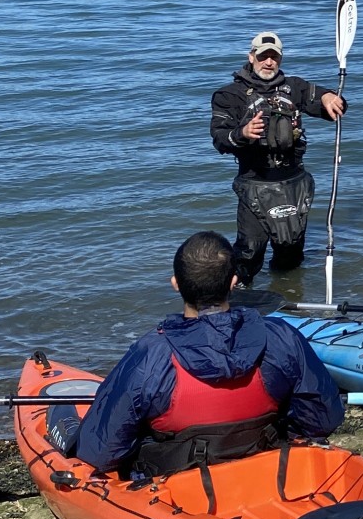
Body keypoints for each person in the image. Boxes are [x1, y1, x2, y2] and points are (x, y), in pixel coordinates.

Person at [71, 231, 345, 476]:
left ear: (176, 284)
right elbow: (323, 417)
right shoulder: (281, 336)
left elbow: (102, 453)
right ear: (233, 282)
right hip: (261, 458)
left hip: (177, 480)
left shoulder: (151, 354)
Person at [209, 31, 346, 284]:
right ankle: (234, 303)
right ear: (252, 57)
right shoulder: (229, 95)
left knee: (290, 253)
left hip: (294, 183)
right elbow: (219, 138)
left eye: (274, 57)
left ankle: (288, 297)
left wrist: (329, 96)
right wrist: (243, 133)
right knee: (250, 251)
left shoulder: (294, 87)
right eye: (263, 56)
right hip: (255, 183)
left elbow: (330, 106)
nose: (269, 62)